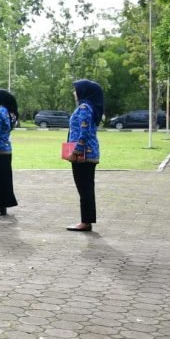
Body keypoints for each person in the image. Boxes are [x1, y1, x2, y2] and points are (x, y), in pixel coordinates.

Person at [67, 79, 103, 232]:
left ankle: (85, 221)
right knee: (86, 187)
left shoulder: (84, 107)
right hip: (87, 153)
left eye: (76, 89)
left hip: (83, 154)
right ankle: (86, 220)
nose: (74, 93)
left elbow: (84, 132)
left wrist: (76, 151)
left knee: (84, 188)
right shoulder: (88, 107)